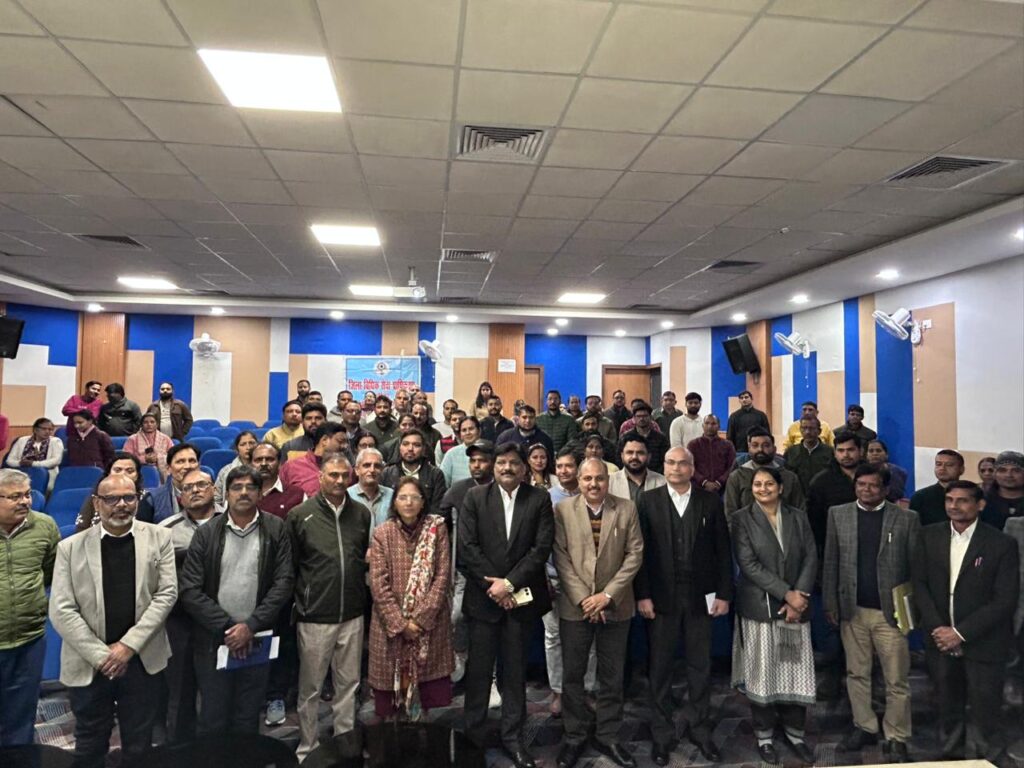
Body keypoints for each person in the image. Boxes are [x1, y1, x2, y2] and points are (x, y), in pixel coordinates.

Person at [49, 473, 177, 768]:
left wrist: (127, 647)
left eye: (129, 497)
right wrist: (103, 656)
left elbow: (167, 594)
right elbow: (62, 609)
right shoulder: (70, 547)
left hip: (142, 657)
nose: (121, 505)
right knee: (90, 743)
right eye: (111, 499)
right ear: (97, 503)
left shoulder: (160, 537)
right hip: (90, 661)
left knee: (139, 743)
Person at [635, 446, 733, 765]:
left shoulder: (710, 501)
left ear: (692, 468)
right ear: (663, 466)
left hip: (700, 597)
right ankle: (661, 734)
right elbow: (639, 554)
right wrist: (642, 595)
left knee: (699, 667)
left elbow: (722, 551)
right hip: (660, 597)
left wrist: (723, 594)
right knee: (660, 668)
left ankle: (700, 729)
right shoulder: (647, 501)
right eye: (670, 462)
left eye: (682, 463)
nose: (676, 468)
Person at [459, 443, 554, 767]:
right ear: (493, 466)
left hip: (520, 601)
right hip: (483, 600)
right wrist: (495, 587)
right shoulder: (474, 497)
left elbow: (540, 548)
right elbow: (468, 548)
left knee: (514, 675)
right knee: (478, 675)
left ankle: (513, 738)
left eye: (514, 462)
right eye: (501, 462)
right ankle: (473, 740)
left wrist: (509, 584)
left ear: (524, 468)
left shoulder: (538, 499)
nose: (507, 468)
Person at [179, 466, 293, 735]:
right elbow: (190, 590)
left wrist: (250, 627)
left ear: (260, 493)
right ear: (226, 493)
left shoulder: (276, 528)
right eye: (237, 487)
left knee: (247, 716)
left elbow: (284, 582)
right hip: (214, 640)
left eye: (250, 487)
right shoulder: (207, 533)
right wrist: (231, 629)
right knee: (213, 717)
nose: (243, 493)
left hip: (258, 637)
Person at [912, 480, 1019, 760]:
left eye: (962, 500)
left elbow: (1004, 600)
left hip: (984, 642)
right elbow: (919, 585)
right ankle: (952, 757)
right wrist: (939, 629)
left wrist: (959, 633)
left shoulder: (1001, 543)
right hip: (940, 640)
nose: (954, 506)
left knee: (986, 709)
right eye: (949, 500)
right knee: (946, 706)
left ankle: (990, 758)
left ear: (980, 505)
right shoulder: (928, 536)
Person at [823, 465, 920, 761]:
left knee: (896, 679)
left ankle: (897, 735)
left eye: (873, 485)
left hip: (891, 614)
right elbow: (831, 561)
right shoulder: (838, 514)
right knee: (857, 674)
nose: (866, 490)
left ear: (886, 489)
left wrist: (912, 610)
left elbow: (916, 567)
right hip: (852, 610)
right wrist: (831, 603)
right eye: (861, 484)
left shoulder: (906, 519)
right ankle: (864, 725)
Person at [552, 458, 644, 768]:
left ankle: (608, 734)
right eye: (587, 478)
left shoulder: (626, 508)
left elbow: (635, 555)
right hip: (575, 606)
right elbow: (560, 558)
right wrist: (585, 600)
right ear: (578, 481)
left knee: (612, 675)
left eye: (599, 478)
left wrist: (606, 596)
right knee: (573, 675)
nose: (593, 484)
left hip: (616, 604)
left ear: (608, 480)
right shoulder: (563, 510)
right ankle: (574, 734)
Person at [731, 465, 818, 764]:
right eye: (757, 484)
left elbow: (811, 556)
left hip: (796, 610)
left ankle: (796, 734)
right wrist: (786, 594)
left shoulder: (798, 516)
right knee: (763, 674)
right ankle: (764, 736)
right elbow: (748, 564)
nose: (763, 489)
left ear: (781, 488)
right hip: (760, 608)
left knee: (794, 672)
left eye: (769, 484)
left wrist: (798, 596)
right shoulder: (741, 519)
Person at [287, 453, 370, 760]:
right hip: (315, 615)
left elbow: (360, 557)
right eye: (333, 475)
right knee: (310, 688)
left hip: (352, 613)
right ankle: (308, 747)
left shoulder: (361, 513)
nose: (339, 480)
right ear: (320, 477)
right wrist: (303, 601)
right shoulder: (300, 515)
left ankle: (344, 745)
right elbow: (292, 565)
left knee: (349, 684)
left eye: (344, 475)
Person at [368, 476, 453, 720]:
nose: (408, 503)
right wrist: (401, 624)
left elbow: (442, 577)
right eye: (402, 497)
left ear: (423, 502)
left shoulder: (436, 529)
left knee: (425, 700)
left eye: (414, 497)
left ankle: (422, 737)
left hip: (429, 625)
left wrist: (420, 620)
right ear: (394, 502)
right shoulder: (382, 533)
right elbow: (378, 584)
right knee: (391, 701)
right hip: (390, 626)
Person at [157, 468, 218, 743]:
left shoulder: (232, 521)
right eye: (188, 488)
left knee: (218, 693)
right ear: (180, 497)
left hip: (222, 619)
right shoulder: (165, 530)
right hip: (180, 621)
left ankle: (218, 751)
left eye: (201, 485)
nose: (195, 490)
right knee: (180, 691)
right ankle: (179, 750)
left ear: (214, 489)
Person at [0, 468, 59, 746]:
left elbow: (50, 572)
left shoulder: (45, 526)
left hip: (30, 638)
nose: (24, 501)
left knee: (22, 715)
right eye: (14, 497)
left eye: (26, 495)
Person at [438, 439, 495, 685]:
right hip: (463, 570)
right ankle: (459, 668)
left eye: (482, 460)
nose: (477, 465)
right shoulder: (458, 490)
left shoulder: (502, 489)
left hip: (495, 571)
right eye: (473, 461)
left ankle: (489, 676)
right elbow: (440, 523)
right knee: (457, 617)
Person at [725, 427, 805, 523]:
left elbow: (800, 511)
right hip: (747, 530)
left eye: (766, 445)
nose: (760, 449)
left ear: (774, 449)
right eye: (755, 445)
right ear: (749, 449)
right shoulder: (737, 477)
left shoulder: (789, 477)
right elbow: (730, 513)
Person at [806, 431, 863, 551]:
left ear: (861, 451)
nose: (846, 455)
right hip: (833, 544)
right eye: (841, 450)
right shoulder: (821, 482)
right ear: (835, 453)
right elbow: (815, 520)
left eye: (850, 450)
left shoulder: (873, 477)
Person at [75, 452, 156, 531]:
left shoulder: (148, 498)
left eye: (130, 471)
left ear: (137, 475)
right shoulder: (97, 496)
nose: (123, 474)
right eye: (117, 470)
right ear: (108, 473)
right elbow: (81, 529)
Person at [380, 429, 447, 517]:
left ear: (423, 449)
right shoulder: (387, 473)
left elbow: (438, 508)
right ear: (399, 447)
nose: (410, 449)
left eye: (416, 445)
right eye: (405, 444)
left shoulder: (435, 474)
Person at [279, 422, 351, 497]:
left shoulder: (347, 469)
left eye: (346, 443)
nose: (345, 446)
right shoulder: (291, 467)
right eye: (340, 441)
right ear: (324, 440)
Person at [909, 449, 966, 527]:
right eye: (938, 464)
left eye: (949, 465)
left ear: (961, 469)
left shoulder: (970, 495)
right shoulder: (920, 497)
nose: (942, 468)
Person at [6, 416, 63, 489]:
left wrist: (33, 464)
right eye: (44, 429)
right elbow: (9, 460)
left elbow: (56, 461)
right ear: (35, 429)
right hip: (20, 474)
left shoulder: (56, 441)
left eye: (50, 429)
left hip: (48, 475)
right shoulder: (21, 440)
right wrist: (20, 463)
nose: (47, 431)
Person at [782, 416, 834, 496]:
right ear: (800, 430)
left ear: (819, 431)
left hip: (823, 497)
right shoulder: (791, 452)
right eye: (804, 428)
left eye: (811, 428)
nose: (807, 432)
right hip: (798, 498)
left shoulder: (830, 452)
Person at [608, 434, 666, 504]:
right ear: (622, 456)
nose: (634, 457)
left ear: (649, 456)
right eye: (630, 452)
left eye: (640, 453)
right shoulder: (609, 482)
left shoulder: (663, 483)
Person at [151, 443, 201, 523]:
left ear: (198, 466)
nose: (187, 466)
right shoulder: (152, 499)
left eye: (192, 461)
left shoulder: (210, 494)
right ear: (168, 469)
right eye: (180, 462)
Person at [686, 414, 735, 495]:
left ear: (719, 426)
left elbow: (732, 466)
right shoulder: (693, 445)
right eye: (707, 423)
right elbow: (689, 466)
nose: (710, 426)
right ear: (702, 426)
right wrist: (704, 482)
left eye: (713, 424)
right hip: (698, 488)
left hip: (723, 489)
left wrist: (719, 482)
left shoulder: (728, 445)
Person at [348, 447, 393, 532]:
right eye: (367, 465)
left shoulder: (392, 495)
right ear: (357, 470)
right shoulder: (346, 496)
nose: (372, 470)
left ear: (382, 470)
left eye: (377, 466)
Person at [212, 430, 258, 506]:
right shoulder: (225, 471)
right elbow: (216, 499)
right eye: (243, 444)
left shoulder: (263, 470)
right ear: (237, 450)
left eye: (251, 443)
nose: (248, 447)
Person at [981, 450, 1024, 529]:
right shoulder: (981, 503)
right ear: (995, 474)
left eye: (1016, 471)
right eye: (1002, 470)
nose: (1009, 475)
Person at [124, 412, 174, 480]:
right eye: (145, 422)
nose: (149, 424)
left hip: (163, 471)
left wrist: (159, 458)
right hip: (139, 470)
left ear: (157, 424)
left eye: (152, 422)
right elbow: (126, 458)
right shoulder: (132, 439)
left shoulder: (165, 439)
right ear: (141, 425)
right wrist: (144, 459)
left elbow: (173, 456)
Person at [621, 404, 669, 473]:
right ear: (634, 418)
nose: (641, 419)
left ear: (650, 417)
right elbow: (620, 458)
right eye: (638, 416)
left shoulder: (661, 438)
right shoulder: (626, 437)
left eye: (645, 416)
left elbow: (665, 460)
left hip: (656, 475)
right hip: (631, 473)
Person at [439, 416, 481, 486]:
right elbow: (442, 482)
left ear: (479, 431)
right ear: (460, 435)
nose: (468, 433)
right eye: (464, 430)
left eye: (471, 429)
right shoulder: (451, 454)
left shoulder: (488, 452)